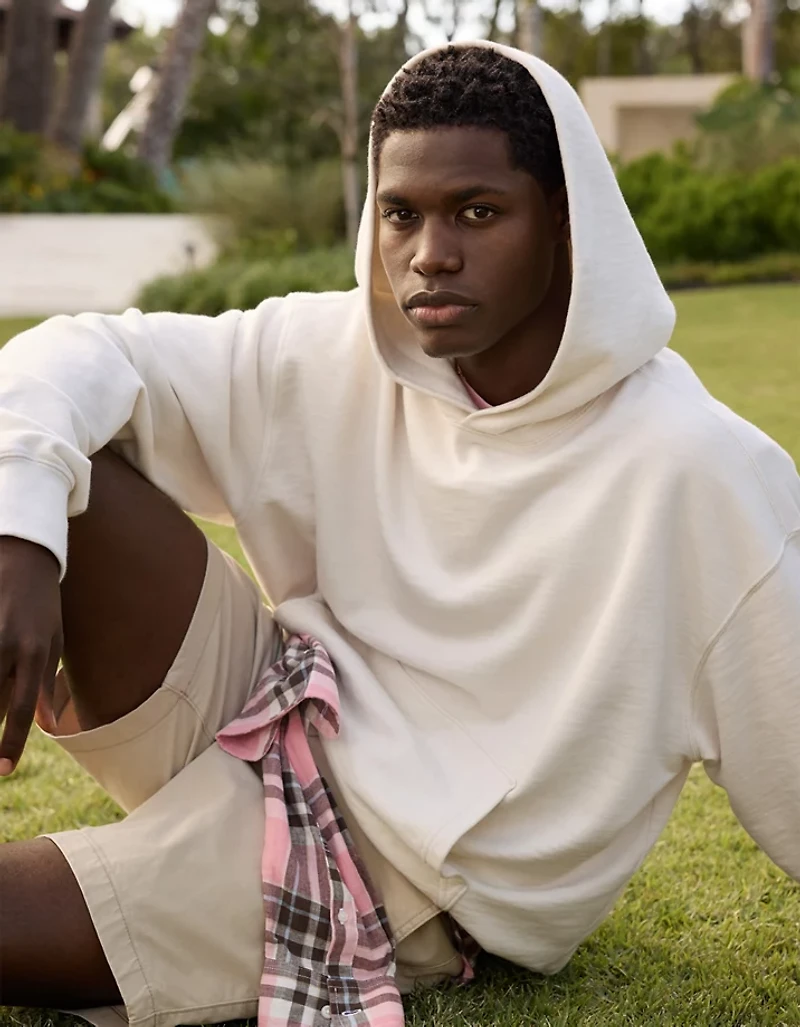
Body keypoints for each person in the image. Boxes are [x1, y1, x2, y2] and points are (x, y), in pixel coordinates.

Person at [1, 39, 800, 1027]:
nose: (430, 253)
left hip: (409, 878)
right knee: (58, 466)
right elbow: (81, 349)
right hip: (282, 708)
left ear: (565, 222)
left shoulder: (697, 470)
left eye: (477, 212)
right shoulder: (329, 351)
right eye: (401, 213)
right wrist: (20, 533)